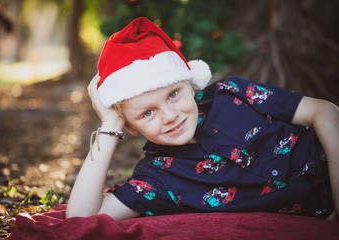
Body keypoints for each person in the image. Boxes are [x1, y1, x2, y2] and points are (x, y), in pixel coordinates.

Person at [66, 17, 339, 221]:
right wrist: (110, 124)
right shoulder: (158, 179)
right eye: (147, 113)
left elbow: (324, 111)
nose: (170, 116)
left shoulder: (232, 93)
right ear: (130, 126)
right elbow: (79, 219)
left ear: (189, 84)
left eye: (173, 95)